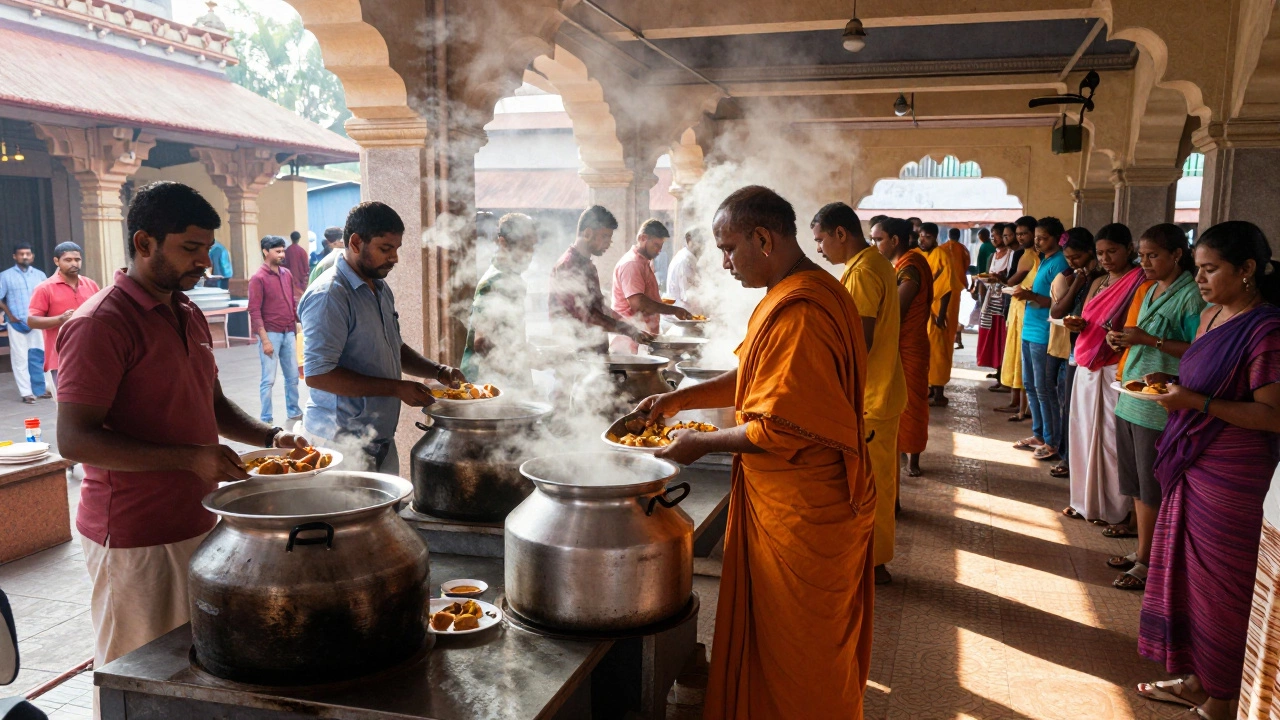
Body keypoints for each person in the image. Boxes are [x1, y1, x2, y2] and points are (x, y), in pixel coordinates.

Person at [54, 182, 309, 710]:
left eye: (207, 249)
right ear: (144, 242)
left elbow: (209, 400)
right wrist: (190, 458)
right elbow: (73, 439)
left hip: (198, 519)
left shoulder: (187, 312)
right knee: (138, 674)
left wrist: (271, 437)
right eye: (189, 249)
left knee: (192, 669)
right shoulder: (101, 323)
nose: (204, 262)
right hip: (135, 536)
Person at [638, 186, 873, 719]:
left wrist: (700, 442)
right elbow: (758, 376)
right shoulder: (804, 290)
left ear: (763, 239)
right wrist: (683, 397)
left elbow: (782, 428)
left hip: (804, 508)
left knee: (798, 646)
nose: (722, 263)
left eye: (728, 248)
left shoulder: (803, 310)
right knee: (777, 636)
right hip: (791, 498)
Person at [1133, 221, 1280, 720]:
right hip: (1193, 462)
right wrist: (1169, 379)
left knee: (1223, 585)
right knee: (1190, 577)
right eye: (1197, 269)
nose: (1200, 280)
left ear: (1246, 270)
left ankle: (1222, 696)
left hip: (1233, 473)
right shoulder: (1212, 315)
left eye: (1210, 269)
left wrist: (1193, 401)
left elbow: (1271, 414)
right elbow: (1204, 376)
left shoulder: (1266, 329)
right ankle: (1199, 677)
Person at [300, 202, 465, 472]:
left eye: (396, 249)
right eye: (385, 249)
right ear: (355, 242)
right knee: (355, 514)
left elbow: (394, 347)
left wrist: (438, 371)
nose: (394, 258)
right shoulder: (330, 295)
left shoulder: (379, 287)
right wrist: (396, 388)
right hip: (341, 443)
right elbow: (318, 374)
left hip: (377, 438)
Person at [1106, 223, 1206, 591]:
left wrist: (1149, 340)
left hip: (1157, 403)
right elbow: (1141, 338)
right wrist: (1121, 340)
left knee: (1151, 488)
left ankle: (1149, 562)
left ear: (1177, 255)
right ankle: (1141, 550)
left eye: (1153, 256)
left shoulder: (1192, 296)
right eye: (1142, 255)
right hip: (1131, 395)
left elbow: (1198, 349)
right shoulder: (1148, 289)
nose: (1144, 262)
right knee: (1134, 483)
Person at [813, 202, 905, 586]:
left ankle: (873, 563)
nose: (819, 249)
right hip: (880, 392)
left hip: (872, 396)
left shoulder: (864, 272)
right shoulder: (871, 264)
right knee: (875, 478)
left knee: (872, 484)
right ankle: (870, 557)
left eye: (820, 240)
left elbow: (859, 341)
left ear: (840, 234)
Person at [1063, 224, 1142, 524]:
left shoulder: (1138, 282)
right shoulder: (1099, 281)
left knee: (1108, 438)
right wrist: (1078, 326)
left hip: (1113, 366)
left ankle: (1113, 508)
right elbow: (1088, 319)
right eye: (1100, 253)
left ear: (1129, 249)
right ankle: (1084, 501)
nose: (1106, 258)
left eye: (1113, 251)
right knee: (1083, 432)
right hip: (1086, 362)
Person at [549, 205, 654, 355]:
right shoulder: (569, 265)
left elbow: (598, 308)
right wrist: (627, 329)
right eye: (604, 236)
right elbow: (588, 316)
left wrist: (630, 323)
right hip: (576, 355)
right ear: (587, 233)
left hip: (594, 352)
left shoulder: (587, 265)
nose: (608, 244)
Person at [875, 217, 932, 480]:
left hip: (910, 344)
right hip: (899, 342)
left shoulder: (910, 266)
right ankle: (899, 448)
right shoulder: (902, 263)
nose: (875, 245)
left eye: (879, 240)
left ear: (895, 240)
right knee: (896, 399)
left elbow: (897, 309)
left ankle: (913, 457)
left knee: (912, 401)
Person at [1010, 217, 1069, 461]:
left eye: (1043, 238)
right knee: (1031, 385)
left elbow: (1055, 304)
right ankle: (1039, 434)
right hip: (1029, 329)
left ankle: (1052, 441)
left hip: (1044, 333)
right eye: (1036, 238)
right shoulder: (1043, 260)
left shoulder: (1060, 263)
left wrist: (1029, 294)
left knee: (1045, 389)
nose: (1038, 242)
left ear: (1056, 238)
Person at [461, 212, 539, 389]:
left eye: (532, 247)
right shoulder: (494, 282)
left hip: (507, 383)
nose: (530, 254)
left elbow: (506, 335)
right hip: (488, 386)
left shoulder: (513, 280)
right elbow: (481, 343)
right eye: (525, 246)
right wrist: (523, 357)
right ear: (503, 243)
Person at [1045, 227, 1099, 478]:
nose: (1073, 262)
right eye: (1068, 258)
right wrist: (1077, 278)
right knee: (1069, 404)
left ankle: (1079, 459)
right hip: (1076, 347)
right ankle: (1068, 457)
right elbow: (1057, 312)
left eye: (1077, 257)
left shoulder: (1102, 278)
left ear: (1090, 252)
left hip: (1098, 350)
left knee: (1084, 409)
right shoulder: (1076, 276)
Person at [610, 218, 692, 353]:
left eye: (661, 246)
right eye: (656, 245)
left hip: (642, 338)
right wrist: (674, 310)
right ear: (642, 238)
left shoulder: (644, 262)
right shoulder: (632, 264)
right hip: (629, 343)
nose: (659, 250)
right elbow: (638, 303)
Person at [27, 242, 100, 387]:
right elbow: (31, 321)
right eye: (68, 260)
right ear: (56, 261)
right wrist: (61, 319)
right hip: (61, 359)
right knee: (67, 405)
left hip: (91, 356)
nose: (74, 263)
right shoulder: (45, 288)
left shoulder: (91, 284)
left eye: (77, 260)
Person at [249, 236, 302, 425]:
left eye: (283, 251)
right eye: (278, 251)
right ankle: (265, 418)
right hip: (270, 333)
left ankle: (294, 411)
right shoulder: (258, 278)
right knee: (268, 380)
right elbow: (254, 311)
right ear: (265, 251)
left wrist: (297, 325)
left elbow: (292, 301)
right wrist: (265, 340)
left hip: (288, 332)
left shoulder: (286, 274)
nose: (282, 254)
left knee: (293, 377)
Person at [997, 217, 1039, 420]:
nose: (1021, 237)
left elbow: (1012, 280)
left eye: (1025, 233)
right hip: (1018, 308)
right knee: (1017, 356)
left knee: (1024, 360)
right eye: (1019, 233)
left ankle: (1024, 408)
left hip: (1029, 312)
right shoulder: (1025, 254)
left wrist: (1000, 279)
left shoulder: (1035, 257)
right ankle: (1019, 405)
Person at [0, 243, 49, 403]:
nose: (25, 256)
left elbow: (48, 296)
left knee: (39, 356)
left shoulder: (40, 275)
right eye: (21, 254)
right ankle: (26, 393)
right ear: (15, 256)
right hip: (16, 323)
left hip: (37, 322)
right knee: (20, 358)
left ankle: (40, 390)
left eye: (28, 254)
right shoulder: (6, 276)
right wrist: (10, 315)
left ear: (32, 256)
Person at [920, 223, 957, 406]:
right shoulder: (921, 255)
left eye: (926, 236)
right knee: (926, 352)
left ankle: (939, 394)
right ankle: (929, 389)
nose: (922, 240)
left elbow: (947, 289)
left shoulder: (942, 255)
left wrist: (941, 316)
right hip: (924, 310)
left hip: (937, 311)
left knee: (938, 353)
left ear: (935, 237)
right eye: (921, 236)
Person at [978, 224, 1010, 390]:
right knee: (994, 337)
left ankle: (1005, 376)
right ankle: (999, 372)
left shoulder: (1011, 255)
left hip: (1004, 302)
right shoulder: (993, 256)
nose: (995, 238)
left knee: (1003, 338)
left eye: (998, 235)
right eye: (993, 235)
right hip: (992, 300)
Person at [666, 228, 704, 316]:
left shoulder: (689, 259)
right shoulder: (685, 261)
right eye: (700, 242)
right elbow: (688, 296)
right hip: (683, 318)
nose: (703, 246)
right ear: (689, 240)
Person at [945, 227, 971, 347]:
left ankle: (950, 338)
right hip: (959, 284)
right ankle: (956, 339)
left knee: (945, 312)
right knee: (956, 312)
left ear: (948, 235)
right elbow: (966, 264)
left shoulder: (941, 249)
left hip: (944, 285)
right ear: (959, 236)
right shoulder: (963, 249)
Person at [284, 230, 310, 304]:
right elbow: (306, 267)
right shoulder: (302, 251)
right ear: (299, 239)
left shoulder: (287, 251)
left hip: (289, 281)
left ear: (291, 238)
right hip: (300, 282)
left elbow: (283, 265)